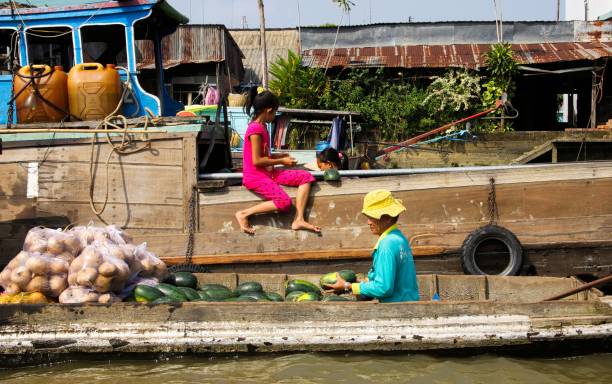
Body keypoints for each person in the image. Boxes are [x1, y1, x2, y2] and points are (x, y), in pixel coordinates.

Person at [235, 87, 320, 235]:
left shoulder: (262, 127)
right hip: (255, 177)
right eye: (275, 112)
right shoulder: (255, 130)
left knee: (306, 177)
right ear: (268, 110)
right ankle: (244, 214)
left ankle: (299, 219)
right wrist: (282, 161)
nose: (275, 116)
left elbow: (264, 155)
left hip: (269, 173)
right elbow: (257, 161)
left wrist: (280, 156)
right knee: (284, 202)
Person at [326, 189, 419, 302]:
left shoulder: (387, 244)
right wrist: (357, 285)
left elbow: (383, 288)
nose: (368, 222)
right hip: (409, 304)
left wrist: (348, 286)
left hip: (395, 310)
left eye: (372, 217)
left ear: (388, 217)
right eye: (368, 217)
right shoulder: (400, 239)